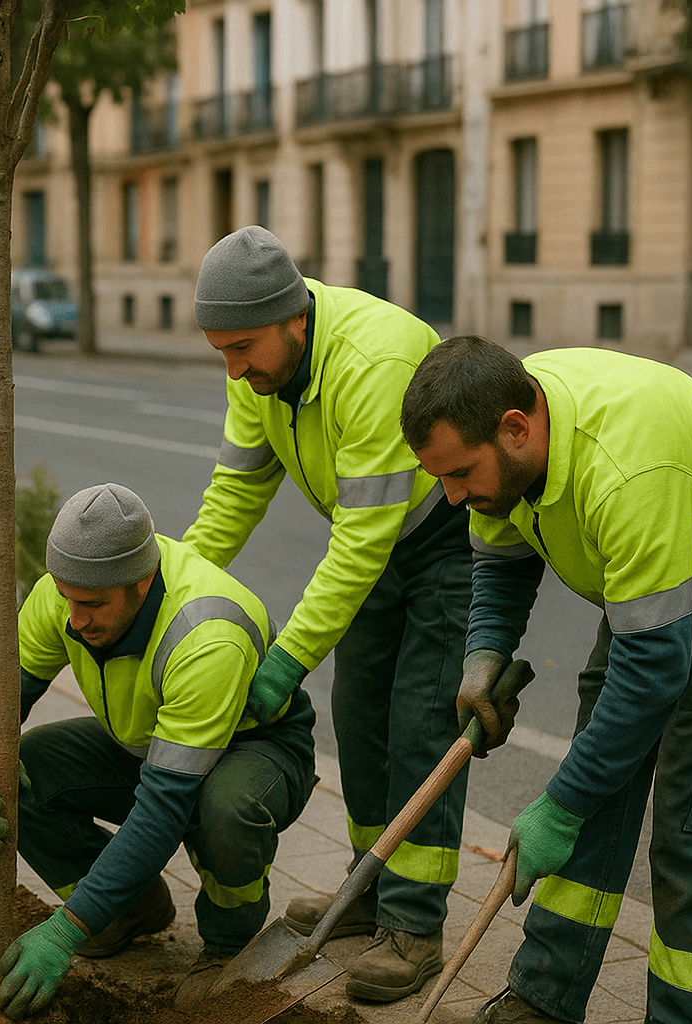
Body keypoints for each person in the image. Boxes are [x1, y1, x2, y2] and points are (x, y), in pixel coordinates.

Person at [400, 336, 692, 1024]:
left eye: (461, 474)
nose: (450, 498)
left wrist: (559, 804)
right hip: (647, 582)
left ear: (515, 428)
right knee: (596, 787)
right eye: (440, 476)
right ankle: (542, 998)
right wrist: (484, 657)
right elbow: (503, 566)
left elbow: (656, 669)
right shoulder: (503, 442)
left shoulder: (624, 467)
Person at [181, 226, 472, 1001]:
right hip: (373, 542)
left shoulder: (370, 364)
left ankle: (414, 926)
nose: (235, 372)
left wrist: (285, 661)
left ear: (295, 321)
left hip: (444, 538)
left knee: (419, 724)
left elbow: (361, 543)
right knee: (360, 714)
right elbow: (235, 495)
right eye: (223, 354)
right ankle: (370, 889)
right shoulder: (261, 375)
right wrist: (173, 593)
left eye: (243, 349)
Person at [0, 483, 316, 1019]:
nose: (75, 620)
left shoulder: (206, 633)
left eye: (92, 605)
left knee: (223, 807)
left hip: (256, 752)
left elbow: (164, 807)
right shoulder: (66, 595)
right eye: (67, 599)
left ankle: (230, 942)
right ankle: (127, 911)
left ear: (141, 583)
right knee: (28, 769)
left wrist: (65, 931)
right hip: (148, 745)